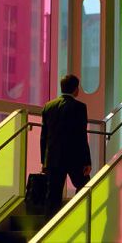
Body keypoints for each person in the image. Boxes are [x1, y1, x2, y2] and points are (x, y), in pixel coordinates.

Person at [40, 74, 91, 217]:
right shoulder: (80, 107)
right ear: (76, 89)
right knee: (84, 186)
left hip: (53, 159)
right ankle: (75, 214)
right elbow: (82, 135)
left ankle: (49, 229)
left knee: (53, 196)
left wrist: (43, 161)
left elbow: (43, 137)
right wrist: (87, 161)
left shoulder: (48, 107)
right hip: (74, 158)